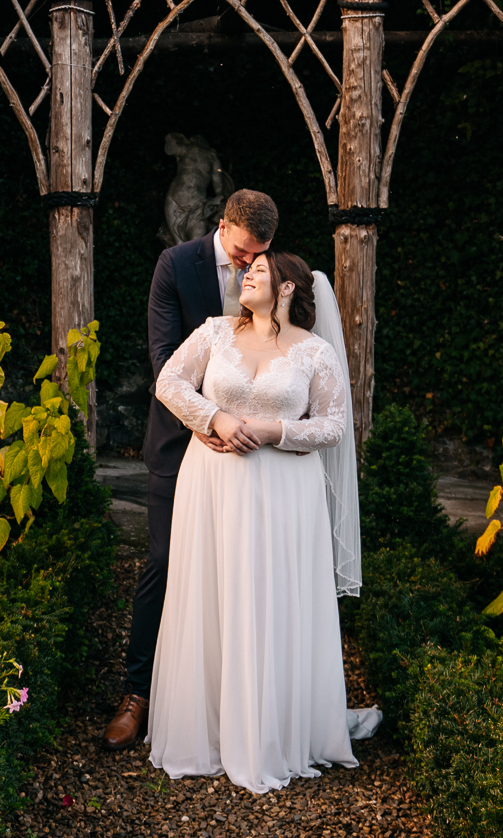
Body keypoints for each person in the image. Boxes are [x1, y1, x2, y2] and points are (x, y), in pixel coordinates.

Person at [145, 249, 375, 793]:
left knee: (268, 600)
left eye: (259, 270)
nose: (246, 274)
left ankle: (268, 731)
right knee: (212, 596)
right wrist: (214, 416)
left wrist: (275, 432)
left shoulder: (315, 353)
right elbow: (169, 383)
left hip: (283, 495)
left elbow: (334, 426)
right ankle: (208, 732)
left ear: (288, 288)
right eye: (246, 269)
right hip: (213, 486)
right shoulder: (215, 332)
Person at [99, 189, 279, 752]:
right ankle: (138, 694)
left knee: (240, 573)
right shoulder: (176, 266)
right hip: (182, 442)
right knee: (163, 561)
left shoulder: (274, 271)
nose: (252, 265)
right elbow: (163, 359)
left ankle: (230, 702)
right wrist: (210, 418)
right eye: (245, 253)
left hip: (251, 453)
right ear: (222, 226)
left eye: (261, 256)